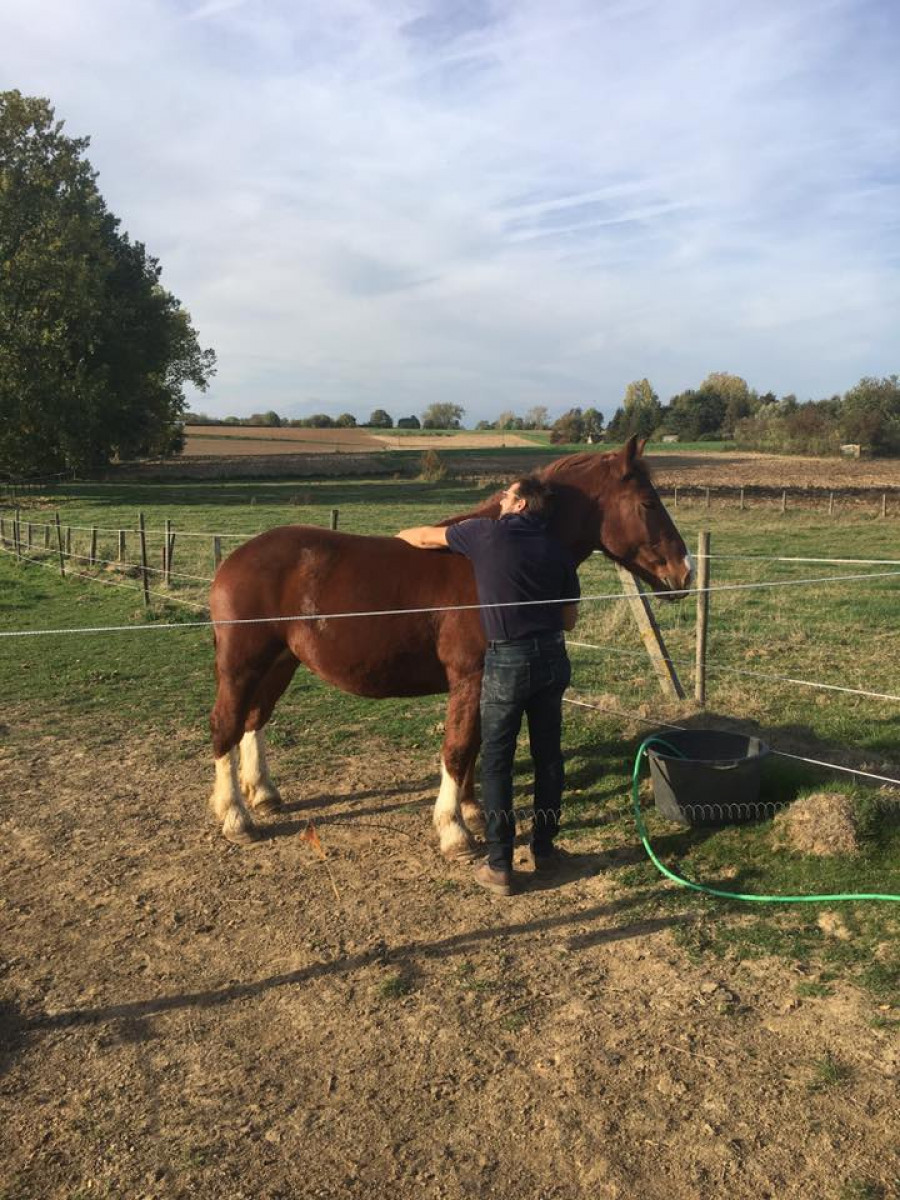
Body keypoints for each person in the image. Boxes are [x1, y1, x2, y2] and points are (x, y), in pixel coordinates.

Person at [396, 476, 579, 896]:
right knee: (548, 755)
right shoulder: (559, 551)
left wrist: (397, 537)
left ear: (519, 505)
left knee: (496, 758)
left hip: (508, 660)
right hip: (553, 658)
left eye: (508, 494)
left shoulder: (484, 534)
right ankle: (545, 849)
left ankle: (499, 864)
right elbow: (569, 620)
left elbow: (424, 539)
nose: (500, 498)